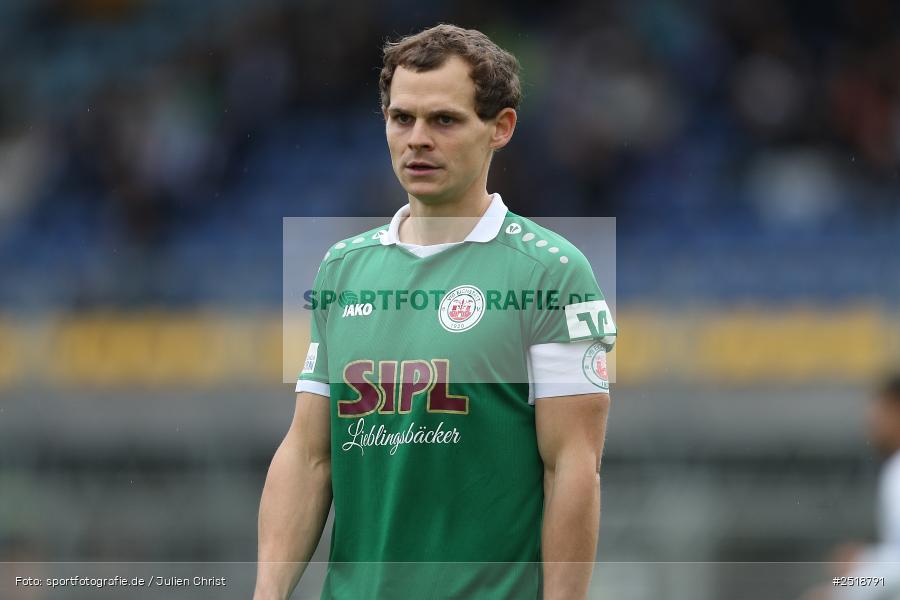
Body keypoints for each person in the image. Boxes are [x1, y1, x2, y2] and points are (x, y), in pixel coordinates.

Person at [254, 24, 616, 600]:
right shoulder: (341, 270)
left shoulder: (553, 274)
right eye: (402, 119)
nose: (417, 138)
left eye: (444, 120)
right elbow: (308, 454)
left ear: (501, 128)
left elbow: (571, 468)